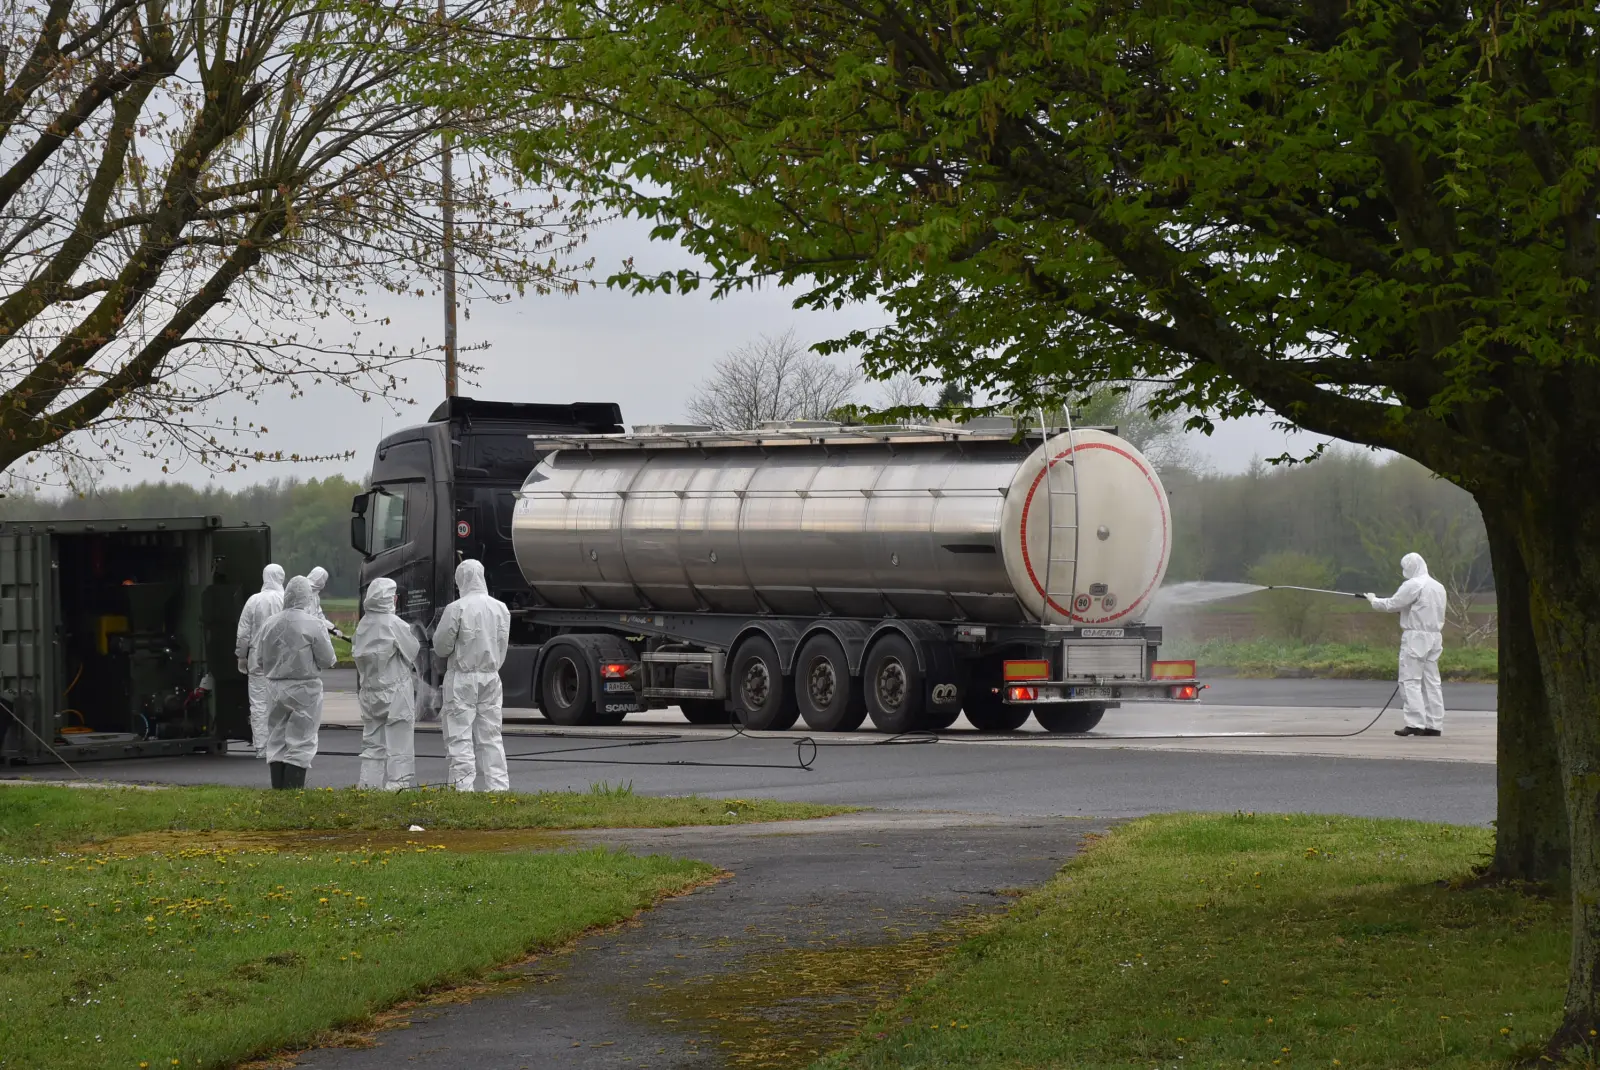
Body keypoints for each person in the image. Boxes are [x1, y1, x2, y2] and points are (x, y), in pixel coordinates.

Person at [251, 576, 338, 788]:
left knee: (277, 738)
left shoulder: (269, 623)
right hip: (304, 689)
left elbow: (259, 659)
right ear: (308, 597)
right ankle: (292, 793)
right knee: (302, 739)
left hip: (273, 687)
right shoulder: (314, 624)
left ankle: (278, 790)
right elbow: (328, 659)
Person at [434, 559, 511, 792]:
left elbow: (441, 647)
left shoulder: (456, 608)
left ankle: (462, 789)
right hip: (490, 677)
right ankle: (498, 787)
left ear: (460, 580)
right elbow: (502, 645)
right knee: (491, 735)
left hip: (462, 677)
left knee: (459, 735)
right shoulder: (501, 608)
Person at [1366, 553, 1448, 738]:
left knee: (1410, 680)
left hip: (1415, 637)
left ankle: (1415, 723)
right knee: (1431, 681)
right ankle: (1434, 724)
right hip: (1435, 637)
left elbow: (1392, 604)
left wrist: (1374, 600)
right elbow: (1419, 609)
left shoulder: (1413, 584)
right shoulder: (1438, 587)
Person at [351, 578, 419, 790]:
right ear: (392, 599)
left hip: (370, 692)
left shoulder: (363, 624)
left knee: (372, 743)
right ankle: (398, 785)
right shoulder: (394, 624)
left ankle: (369, 785)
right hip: (396, 691)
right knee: (399, 742)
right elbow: (412, 651)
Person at [234, 563, 285, 757]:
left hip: (257, 659)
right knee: (281, 702)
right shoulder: (285, 599)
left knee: (259, 704)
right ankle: (281, 745)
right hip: (282, 660)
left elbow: (244, 632)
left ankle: (262, 747)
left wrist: (241, 655)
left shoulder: (253, 601)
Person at [306, 566, 349, 640]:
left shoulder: (315, 595)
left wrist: (333, 628)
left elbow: (319, 616)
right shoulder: (303, 593)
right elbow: (310, 619)